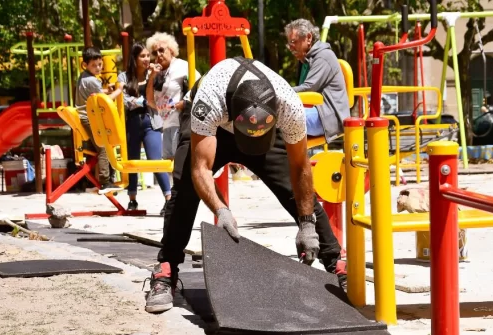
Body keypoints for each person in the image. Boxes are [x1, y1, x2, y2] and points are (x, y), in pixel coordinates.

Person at [143, 56, 346, 314]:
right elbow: (200, 168)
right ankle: (166, 268)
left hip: (257, 126)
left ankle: (335, 260)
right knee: (184, 191)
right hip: (212, 128)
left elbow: (300, 168)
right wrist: (220, 209)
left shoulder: (289, 105)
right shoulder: (209, 101)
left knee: (292, 189)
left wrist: (307, 223)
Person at [118, 42, 172, 213]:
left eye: (148, 55)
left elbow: (160, 95)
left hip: (151, 122)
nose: (147, 59)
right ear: (134, 59)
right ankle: (132, 199)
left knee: (155, 160)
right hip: (132, 123)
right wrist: (137, 101)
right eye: (142, 56)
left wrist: (154, 77)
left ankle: (168, 198)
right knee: (132, 161)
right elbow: (123, 99)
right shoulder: (124, 77)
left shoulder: (154, 74)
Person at [284, 19, 350, 142]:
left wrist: (280, 92)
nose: (290, 47)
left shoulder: (323, 56)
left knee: (281, 118)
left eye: (294, 42)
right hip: (319, 113)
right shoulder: (307, 60)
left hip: (328, 116)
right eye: (289, 43)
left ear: (308, 38)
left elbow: (309, 87)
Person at [76, 47, 123, 193]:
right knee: (104, 147)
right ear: (85, 65)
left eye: (100, 64)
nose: (98, 68)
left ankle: (108, 178)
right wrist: (118, 90)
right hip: (90, 118)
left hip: (84, 117)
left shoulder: (83, 77)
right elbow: (104, 102)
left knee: (102, 146)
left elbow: (94, 94)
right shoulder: (93, 81)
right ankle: (105, 181)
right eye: (94, 65)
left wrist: (105, 90)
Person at [146, 32, 199, 163]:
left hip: (180, 122)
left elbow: (200, 86)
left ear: (171, 50)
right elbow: (150, 101)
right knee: (169, 164)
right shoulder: (157, 72)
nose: (158, 55)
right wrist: (152, 76)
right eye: (154, 52)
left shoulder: (182, 66)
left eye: (161, 50)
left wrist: (185, 103)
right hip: (164, 125)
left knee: (181, 162)